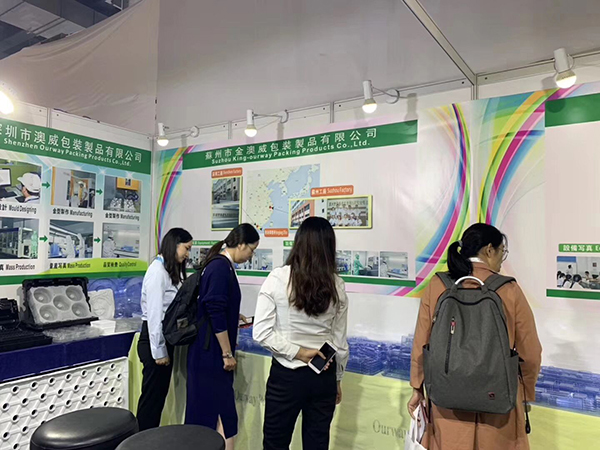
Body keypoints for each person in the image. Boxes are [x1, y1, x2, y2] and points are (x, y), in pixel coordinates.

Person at [408, 223, 542, 450]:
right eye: (502, 252)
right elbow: (530, 352)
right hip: (498, 402)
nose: (501, 260)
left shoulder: (438, 285)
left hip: (445, 400)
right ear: (489, 250)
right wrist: (524, 390)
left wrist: (417, 387)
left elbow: (422, 342)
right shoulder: (509, 289)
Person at [254, 217, 349, 450]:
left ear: (298, 242)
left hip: (286, 376)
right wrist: (337, 380)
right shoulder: (337, 284)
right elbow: (339, 342)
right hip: (323, 375)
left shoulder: (278, 278)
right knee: (317, 444)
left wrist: (299, 352)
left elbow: (262, 332)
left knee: (275, 443)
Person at [186, 223, 260, 450]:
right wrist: (227, 353)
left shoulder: (221, 265)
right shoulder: (220, 267)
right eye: (251, 250)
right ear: (241, 244)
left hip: (208, 351)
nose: (251, 256)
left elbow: (216, 306)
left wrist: (233, 316)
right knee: (218, 414)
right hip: (211, 353)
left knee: (217, 413)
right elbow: (214, 309)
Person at [137, 228, 192, 431]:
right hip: (154, 340)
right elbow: (154, 315)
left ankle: (148, 438)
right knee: (151, 401)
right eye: (186, 248)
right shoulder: (157, 272)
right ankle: (140, 441)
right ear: (174, 245)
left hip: (164, 338)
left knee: (158, 398)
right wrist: (159, 351)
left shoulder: (169, 270)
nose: (188, 254)